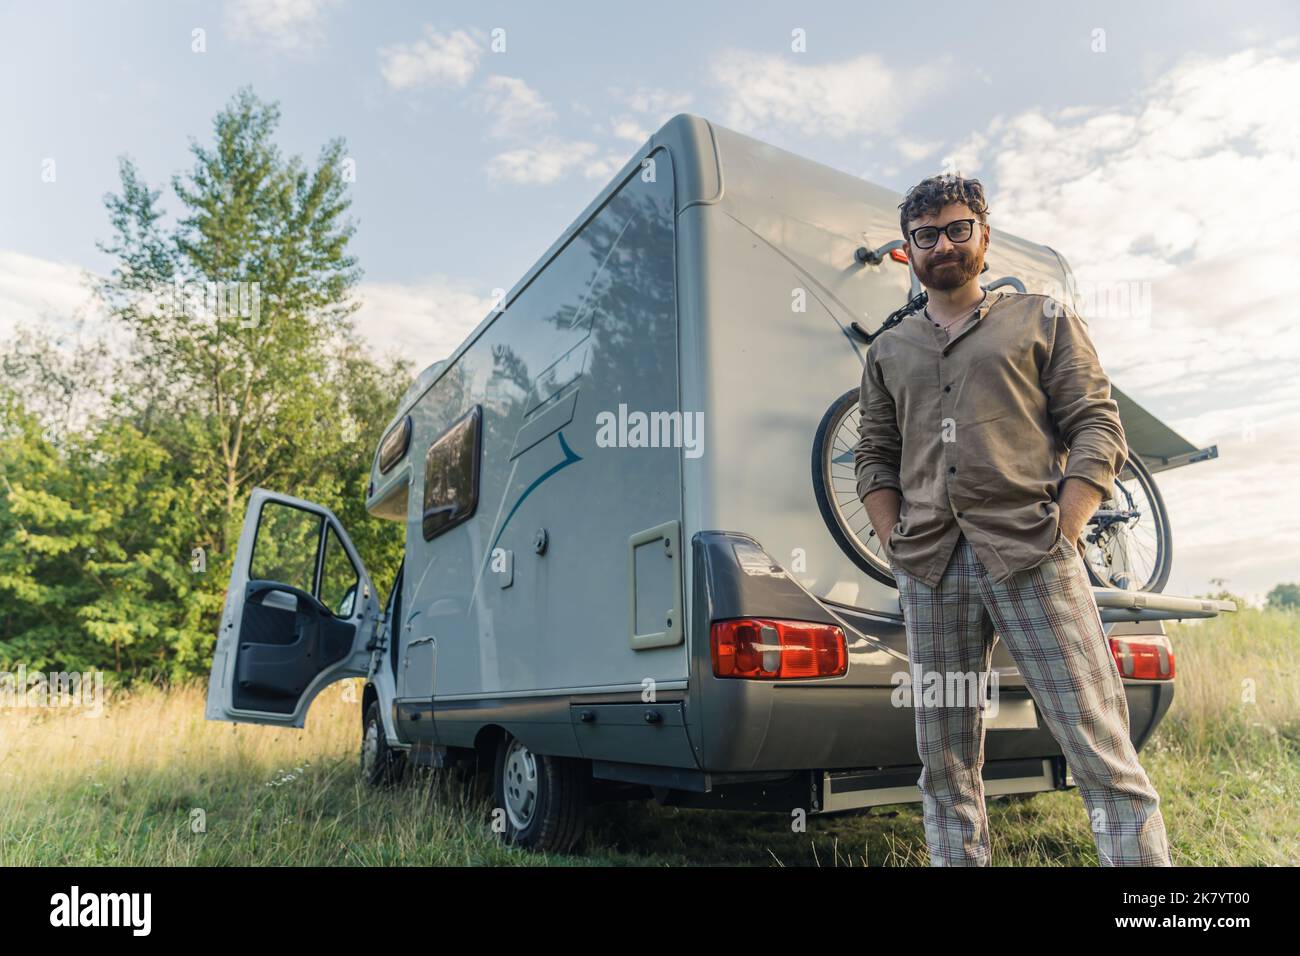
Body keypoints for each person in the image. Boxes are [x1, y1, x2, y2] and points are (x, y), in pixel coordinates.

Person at [854, 173, 1172, 866]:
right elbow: (873, 455)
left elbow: (1096, 423)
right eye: (927, 234)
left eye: (957, 228)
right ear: (909, 250)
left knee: (1098, 746)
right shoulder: (889, 351)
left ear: (984, 235)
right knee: (944, 762)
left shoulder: (1042, 319)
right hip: (932, 570)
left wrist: (1068, 523)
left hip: (1034, 554)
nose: (944, 243)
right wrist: (894, 539)